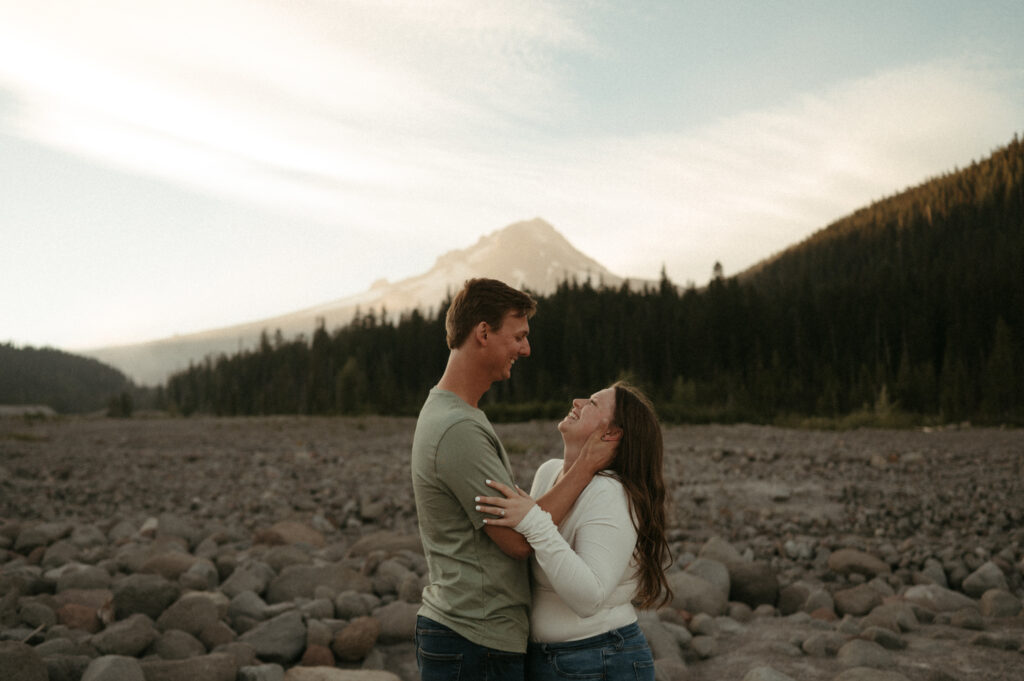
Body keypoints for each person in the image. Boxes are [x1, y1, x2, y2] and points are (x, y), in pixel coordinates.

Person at [411, 278, 618, 681]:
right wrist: (585, 466)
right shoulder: (457, 429)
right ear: (483, 333)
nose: (526, 349)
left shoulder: (457, 416)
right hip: (474, 639)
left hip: (472, 636)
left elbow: (516, 520)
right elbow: (519, 540)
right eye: (519, 336)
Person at [474, 381, 673, 681]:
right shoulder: (548, 472)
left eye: (592, 402)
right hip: (549, 660)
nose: (577, 401)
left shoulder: (609, 493)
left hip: (600, 658)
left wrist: (533, 520)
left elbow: (588, 598)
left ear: (611, 434)